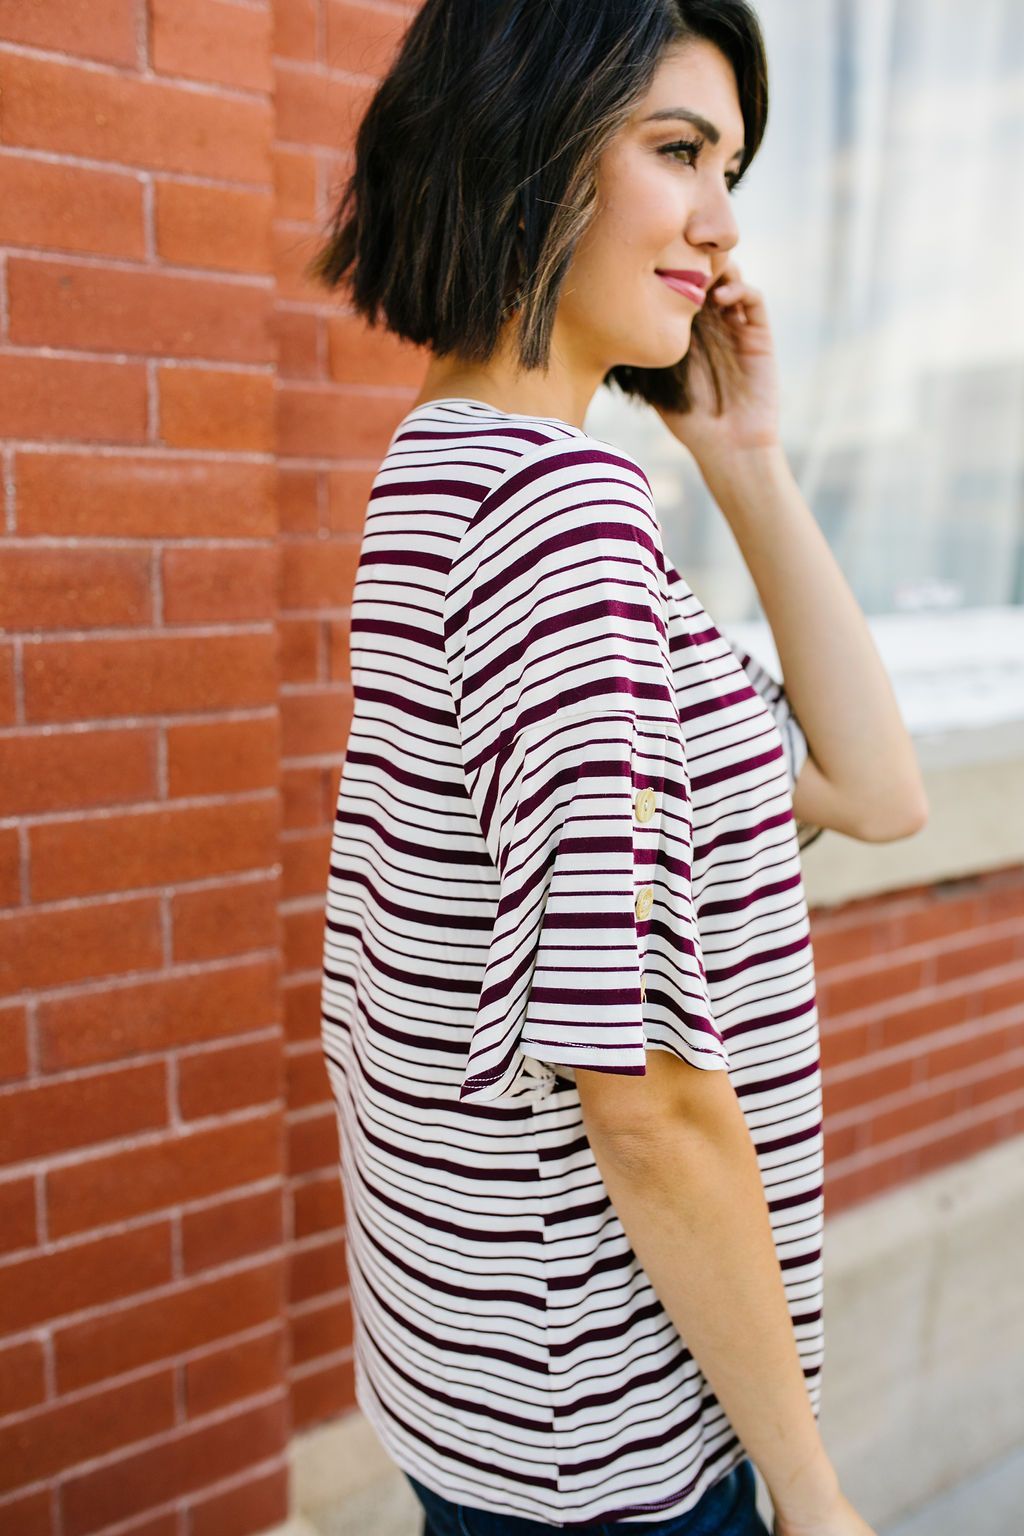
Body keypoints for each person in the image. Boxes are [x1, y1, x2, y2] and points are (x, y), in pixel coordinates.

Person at [309, 2, 928, 1532]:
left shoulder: (450, 466)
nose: (723, 229)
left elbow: (869, 789)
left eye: (733, 169)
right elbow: (639, 1084)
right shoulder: (560, 518)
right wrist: (808, 1482)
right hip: (618, 1442)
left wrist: (745, 456)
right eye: (679, 153)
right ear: (530, 144)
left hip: (508, 1401)